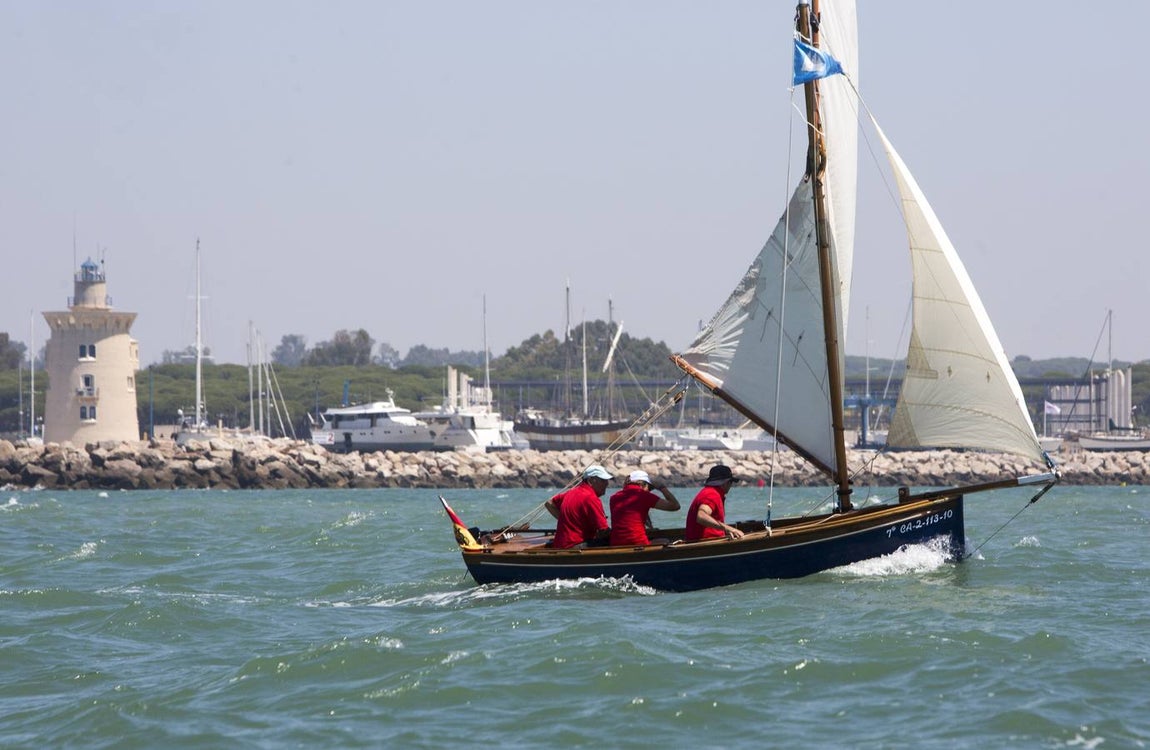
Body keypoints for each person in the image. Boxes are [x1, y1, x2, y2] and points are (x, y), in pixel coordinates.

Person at [544, 464, 613, 549]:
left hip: (560, 545)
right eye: (603, 480)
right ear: (591, 480)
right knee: (612, 540)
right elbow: (603, 531)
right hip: (574, 546)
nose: (607, 484)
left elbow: (549, 503)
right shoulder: (591, 498)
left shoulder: (571, 492)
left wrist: (566, 520)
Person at [608, 470, 680, 546]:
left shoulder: (614, 498)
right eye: (649, 488)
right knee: (666, 541)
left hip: (616, 544)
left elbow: (632, 514)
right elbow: (675, 506)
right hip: (638, 542)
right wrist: (662, 488)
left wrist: (650, 527)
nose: (649, 491)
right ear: (644, 484)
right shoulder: (643, 495)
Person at [684, 464, 745, 541]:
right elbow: (701, 516)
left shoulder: (709, 492)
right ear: (725, 483)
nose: (730, 485)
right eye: (730, 482)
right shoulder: (712, 494)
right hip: (705, 544)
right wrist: (730, 529)